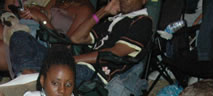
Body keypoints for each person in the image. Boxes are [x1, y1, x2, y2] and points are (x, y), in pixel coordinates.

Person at [8, 0, 153, 85]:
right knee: (19, 36)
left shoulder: (142, 22)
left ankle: (29, 78)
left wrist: (73, 60)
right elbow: (77, 38)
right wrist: (103, 12)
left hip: (92, 71)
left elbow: (115, 53)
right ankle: (27, 75)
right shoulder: (114, 19)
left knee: (49, 79)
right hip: (73, 60)